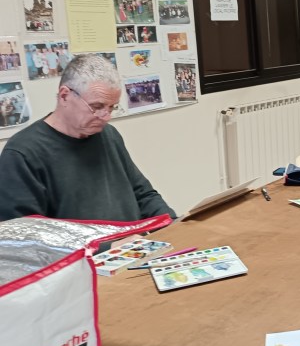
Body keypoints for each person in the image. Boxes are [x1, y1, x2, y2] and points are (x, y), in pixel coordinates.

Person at [0, 54, 175, 222]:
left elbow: (143, 194)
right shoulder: (22, 154)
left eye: (112, 107)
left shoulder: (108, 134)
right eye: (96, 107)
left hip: (134, 240)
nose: (106, 117)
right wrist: (113, 242)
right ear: (64, 96)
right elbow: (26, 236)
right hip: (96, 244)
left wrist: (173, 225)